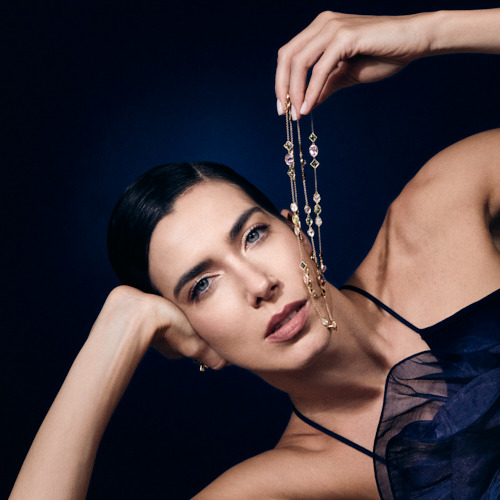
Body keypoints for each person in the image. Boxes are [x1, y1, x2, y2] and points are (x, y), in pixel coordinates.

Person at [10, 8, 500, 500]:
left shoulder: (443, 209)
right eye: (202, 286)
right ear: (188, 337)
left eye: (253, 235)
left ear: (296, 229)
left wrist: (428, 32)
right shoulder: (283, 484)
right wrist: (119, 327)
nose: (259, 284)